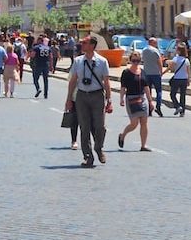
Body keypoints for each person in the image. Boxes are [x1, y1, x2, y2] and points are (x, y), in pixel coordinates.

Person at [65, 37, 112, 168]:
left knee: (100, 126)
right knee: (84, 127)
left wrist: (109, 100)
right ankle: (88, 156)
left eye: (84, 43)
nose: (82, 45)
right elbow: (73, 81)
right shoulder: (78, 61)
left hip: (97, 96)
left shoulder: (102, 61)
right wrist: (69, 99)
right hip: (81, 96)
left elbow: (106, 81)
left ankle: (99, 148)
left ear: (92, 45)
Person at [118, 52, 152, 152]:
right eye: (134, 61)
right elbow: (123, 87)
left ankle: (143, 145)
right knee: (134, 123)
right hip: (131, 99)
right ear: (130, 60)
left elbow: (146, 87)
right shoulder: (126, 72)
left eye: (138, 61)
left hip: (142, 98)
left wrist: (150, 101)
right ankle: (122, 135)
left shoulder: (142, 71)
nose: (136, 63)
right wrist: (121, 99)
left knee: (144, 122)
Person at [165, 43, 191, 116]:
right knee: (182, 95)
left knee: (172, 94)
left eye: (177, 49)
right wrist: (189, 80)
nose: (176, 50)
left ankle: (177, 106)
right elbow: (188, 71)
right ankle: (182, 112)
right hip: (184, 79)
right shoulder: (186, 60)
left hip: (177, 79)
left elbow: (170, 68)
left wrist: (162, 73)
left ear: (179, 51)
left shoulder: (175, 59)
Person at [141, 38, 164, 117]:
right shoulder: (155, 50)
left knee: (148, 91)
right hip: (156, 73)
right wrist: (161, 72)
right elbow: (159, 62)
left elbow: (143, 60)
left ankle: (149, 109)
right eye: (155, 42)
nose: (156, 44)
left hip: (147, 73)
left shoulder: (144, 50)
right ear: (152, 43)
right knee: (159, 91)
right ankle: (158, 106)